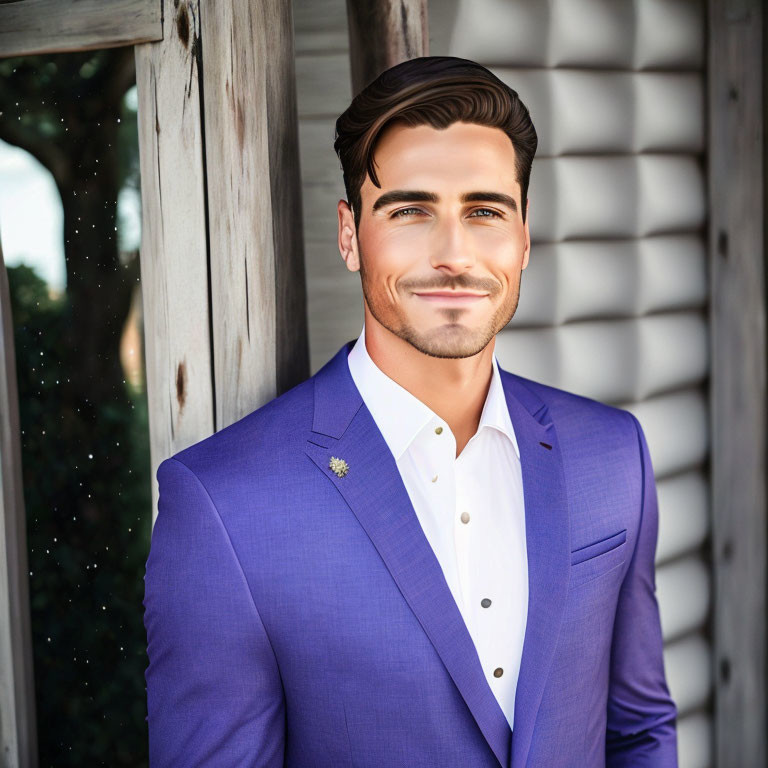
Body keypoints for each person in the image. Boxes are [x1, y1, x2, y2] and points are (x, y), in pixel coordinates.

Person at [143, 55, 678, 767]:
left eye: (485, 211)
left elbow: (638, 733)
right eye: (410, 210)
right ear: (348, 234)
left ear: (523, 238)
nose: (454, 254)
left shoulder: (615, 455)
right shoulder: (222, 507)